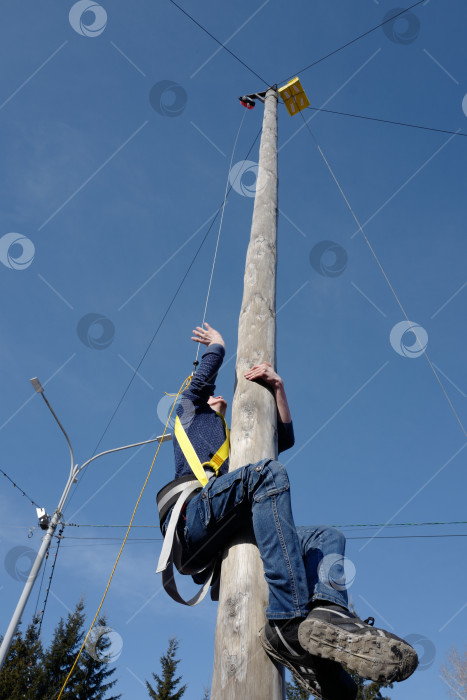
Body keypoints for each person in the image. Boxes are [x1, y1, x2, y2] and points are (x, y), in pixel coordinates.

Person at [158, 323, 418, 699]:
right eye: (211, 394)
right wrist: (218, 346)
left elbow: (283, 437)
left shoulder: (235, 448)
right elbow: (197, 387)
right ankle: (288, 618)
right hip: (192, 520)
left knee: (327, 537)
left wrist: (277, 388)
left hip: (226, 519)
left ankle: (326, 615)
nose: (215, 396)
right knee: (269, 475)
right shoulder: (189, 418)